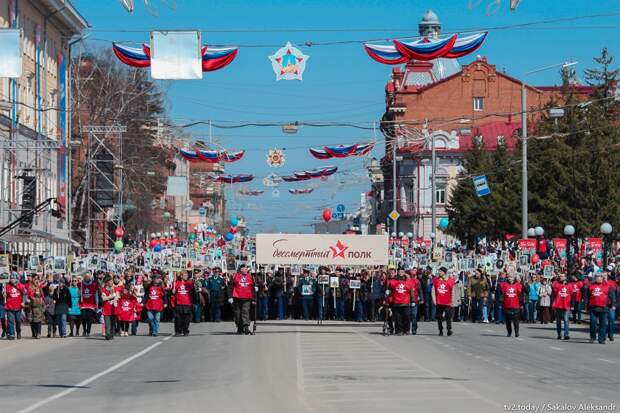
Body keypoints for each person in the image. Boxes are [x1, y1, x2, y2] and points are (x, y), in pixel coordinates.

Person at [229, 264, 256, 334]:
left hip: (247, 297)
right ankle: (239, 327)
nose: (246, 269)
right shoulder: (235, 276)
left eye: (247, 268)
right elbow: (230, 286)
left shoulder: (250, 276)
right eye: (245, 268)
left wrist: (254, 298)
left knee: (245, 312)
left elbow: (252, 287)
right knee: (237, 314)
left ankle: (246, 327)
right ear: (241, 269)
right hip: (237, 297)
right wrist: (230, 297)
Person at [386, 268, 412, 335]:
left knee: (407, 316)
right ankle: (399, 330)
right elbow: (389, 289)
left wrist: (413, 300)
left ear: (404, 273)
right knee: (398, 318)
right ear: (397, 273)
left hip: (406, 302)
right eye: (399, 272)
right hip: (396, 302)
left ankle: (406, 329)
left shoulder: (408, 281)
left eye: (402, 272)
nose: (401, 273)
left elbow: (411, 291)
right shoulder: (393, 281)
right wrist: (388, 292)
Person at [588, 273, 612, 344]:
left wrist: (611, 305)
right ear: (595, 278)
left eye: (600, 277)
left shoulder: (607, 286)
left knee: (603, 324)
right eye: (597, 277)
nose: (598, 278)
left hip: (604, 308)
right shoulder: (591, 286)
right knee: (592, 323)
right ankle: (593, 337)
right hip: (593, 307)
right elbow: (587, 296)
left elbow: (611, 296)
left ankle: (601, 339)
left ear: (602, 278)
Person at [432, 267, 455, 336]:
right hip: (439, 301)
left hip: (447, 302)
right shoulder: (436, 280)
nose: (439, 273)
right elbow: (433, 290)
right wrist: (434, 300)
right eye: (439, 271)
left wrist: (452, 301)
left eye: (441, 271)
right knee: (439, 317)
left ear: (444, 272)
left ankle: (449, 329)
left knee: (448, 316)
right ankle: (440, 330)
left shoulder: (450, 280)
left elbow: (452, 291)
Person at [171, 271, 194, 336]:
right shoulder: (176, 283)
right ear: (181, 276)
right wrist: (172, 290)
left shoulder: (189, 283)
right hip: (179, 303)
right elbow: (172, 291)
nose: (186, 276)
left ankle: (185, 330)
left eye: (186, 275)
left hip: (187, 303)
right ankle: (178, 331)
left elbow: (193, 291)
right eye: (184, 275)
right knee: (178, 318)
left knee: (187, 319)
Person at [4, 273, 26, 340]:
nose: (12, 279)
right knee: (10, 321)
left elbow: (25, 294)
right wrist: (4, 294)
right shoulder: (7, 286)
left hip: (18, 307)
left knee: (18, 321)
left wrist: (23, 302)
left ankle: (18, 332)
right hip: (10, 307)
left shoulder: (21, 286)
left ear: (17, 278)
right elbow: (4, 295)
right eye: (11, 278)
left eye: (13, 278)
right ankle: (12, 334)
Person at [551, 274, 572, 340]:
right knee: (558, 321)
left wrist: (566, 285)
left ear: (565, 277)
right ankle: (559, 334)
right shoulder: (556, 284)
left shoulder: (569, 284)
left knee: (566, 320)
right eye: (560, 276)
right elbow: (554, 292)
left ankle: (566, 334)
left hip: (566, 304)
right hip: (558, 304)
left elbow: (571, 293)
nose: (561, 277)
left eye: (562, 276)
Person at [79, 272, 98, 337]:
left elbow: (96, 295)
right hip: (83, 304)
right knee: (84, 317)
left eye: (88, 276)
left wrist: (96, 304)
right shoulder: (81, 284)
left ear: (90, 277)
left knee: (89, 318)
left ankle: (88, 331)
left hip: (91, 304)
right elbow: (78, 292)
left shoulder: (94, 284)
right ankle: (84, 329)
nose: (87, 278)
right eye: (86, 276)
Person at [101, 275, 119, 340]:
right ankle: (107, 334)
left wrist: (115, 299)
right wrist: (111, 296)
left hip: (113, 309)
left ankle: (112, 334)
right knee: (107, 323)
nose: (111, 282)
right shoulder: (103, 289)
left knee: (113, 323)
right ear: (107, 282)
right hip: (106, 309)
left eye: (112, 281)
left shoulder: (115, 288)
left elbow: (117, 296)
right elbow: (103, 298)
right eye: (110, 281)